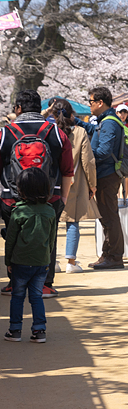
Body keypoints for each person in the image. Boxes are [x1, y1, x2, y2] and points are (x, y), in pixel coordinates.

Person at [1, 89, 74, 296]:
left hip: (11, 198)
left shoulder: (5, 133)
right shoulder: (56, 133)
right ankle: (45, 284)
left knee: (13, 237)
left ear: (18, 108)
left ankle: (15, 283)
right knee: (47, 240)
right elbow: (68, 169)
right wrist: (64, 198)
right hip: (50, 197)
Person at [74, 86, 125, 269]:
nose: (89, 105)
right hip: (105, 175)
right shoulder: (106, 120)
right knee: (107, 216)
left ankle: (114, 257)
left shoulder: (110, 122)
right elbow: (94, 130)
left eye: (91, 101)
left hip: (107, 175)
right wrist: (77, 122)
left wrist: (84, 153)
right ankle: (108, 254)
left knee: (109, 216)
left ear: (100, 103)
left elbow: (104, 151)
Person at [4, 168, 57, 343]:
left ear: (21, 190)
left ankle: (15, 330)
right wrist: (47, 258)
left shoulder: (18, 212)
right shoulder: (50, 212)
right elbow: (51, 240)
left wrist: (8, 261)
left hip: (20, 261)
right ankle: (39, 331)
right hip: (41, 263)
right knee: (36, 296)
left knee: (17, 297)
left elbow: (10, 240)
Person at [50, 99, 98, 274]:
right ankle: (71, 261)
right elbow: (88, 161)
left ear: (53, 114)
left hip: (52, 183)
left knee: (51, 222)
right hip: (74, 183)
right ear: (72, 115)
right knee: (73, 221)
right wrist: (93, 185)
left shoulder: (49, 131)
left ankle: (52, 261)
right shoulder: (80, 132)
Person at [116, 104, 128, 207]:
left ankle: (125, 200)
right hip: (116, 157)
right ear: (116, 113)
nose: (122, 115)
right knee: (116, 181)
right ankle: (117, 201)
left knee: (126, 181)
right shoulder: (113, 125)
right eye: (120, 113)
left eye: (124, 113)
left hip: (127, 157)